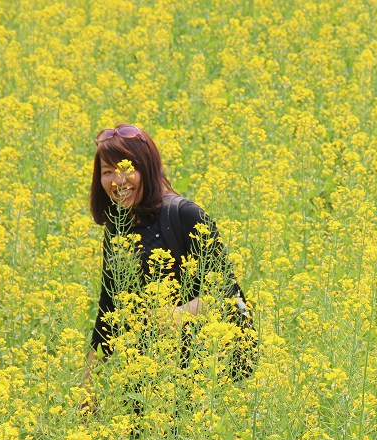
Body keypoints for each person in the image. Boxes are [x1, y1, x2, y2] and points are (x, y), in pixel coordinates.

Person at [83, 124, 255, 395]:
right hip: (146, 378)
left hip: (205, 373)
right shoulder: (116, 227)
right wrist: (88, 387)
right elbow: (109, 307)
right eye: (107, 172)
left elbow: (225, 292)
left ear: (148, 168)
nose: (118, 180)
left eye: (128, 169)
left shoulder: (185, 215)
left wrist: (175, 314)